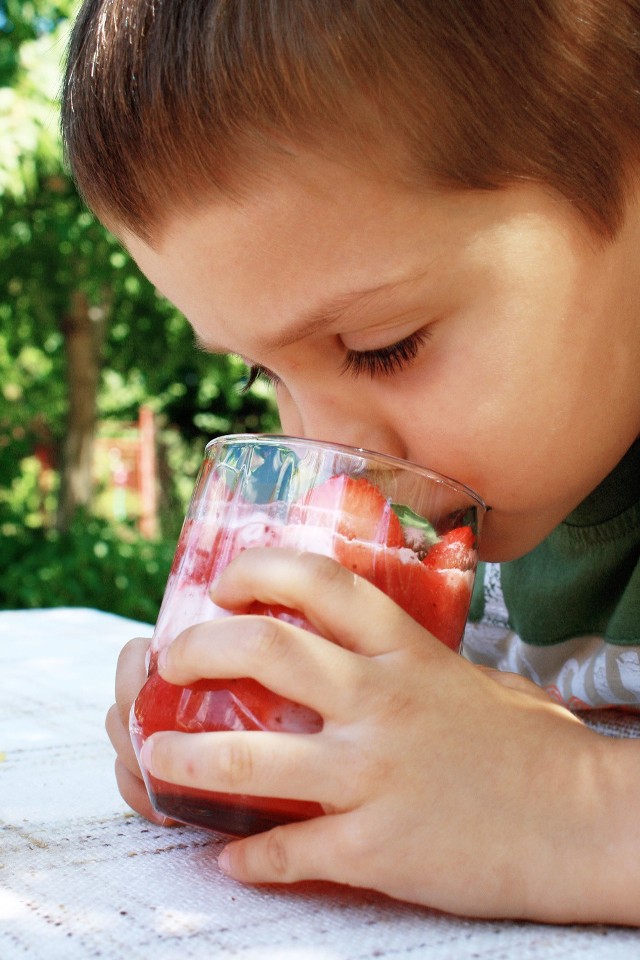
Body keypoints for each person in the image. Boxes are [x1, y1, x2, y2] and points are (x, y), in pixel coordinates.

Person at [61, 0, 640, 924]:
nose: (332, 459)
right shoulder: (477, 529)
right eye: (264, 371)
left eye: (382, 346)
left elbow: (533, 796)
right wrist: (289, 739)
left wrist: (570, 808)